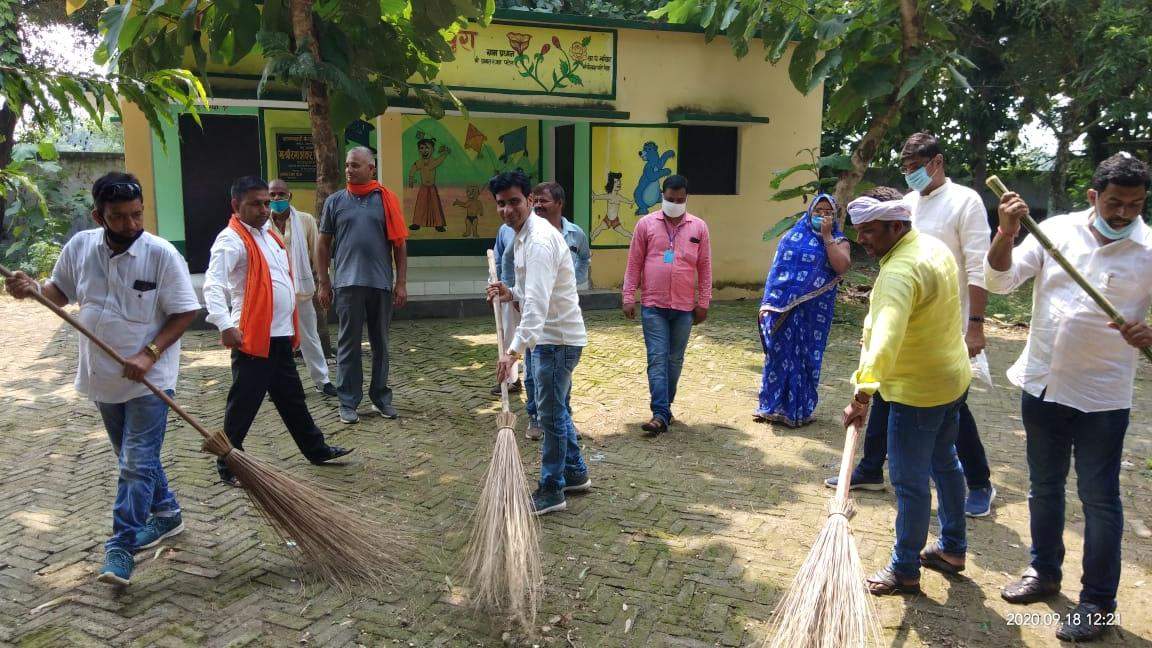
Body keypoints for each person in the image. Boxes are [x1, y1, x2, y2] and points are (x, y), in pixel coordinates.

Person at [5, 172, 201, 586]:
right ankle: (166, 514)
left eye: (136, 215)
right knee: (133, 459)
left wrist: (148, 355)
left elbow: (186, 312)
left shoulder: (162, 255)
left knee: (135, 463)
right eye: (119, 217)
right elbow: (57, 293)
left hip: (150, 378)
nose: (131, 225)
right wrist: (30, 289)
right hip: (103, 376)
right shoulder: (80, 248)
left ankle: (121, 547)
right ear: (98, 215)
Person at [987, 153, 1151, 643]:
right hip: (1042, 384)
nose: (1124, 213)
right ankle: (1044, 572)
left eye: (1136, 204)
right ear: (1093, 197)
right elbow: (1000, 280)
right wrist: (1005, 233)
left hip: (1103, 396)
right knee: (1044, 487)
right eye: (1116, 203)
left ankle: (1098, 603)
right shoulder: (1053, 230)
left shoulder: (1149, 250)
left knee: (1099, 500)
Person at [825, 134, 998, 519]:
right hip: (912, 325)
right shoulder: (908, 204)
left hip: (942, 324)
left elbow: (977, 267)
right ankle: (871, 468)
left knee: (947, 421)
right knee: (893, 394)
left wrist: (975, 325)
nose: (910, 175)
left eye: (914, 167)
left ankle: (981, 482)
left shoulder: (964, 202)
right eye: (904, 168)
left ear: (935, 162)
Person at [840, 192, 971, 597]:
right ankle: (951, 548)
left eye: (870, 230)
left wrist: (861, 396)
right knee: (945, 462)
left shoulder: (899, 271)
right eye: (858, 230)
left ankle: (904, 568)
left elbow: (885, 342)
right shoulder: (931, 246)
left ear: (897, 226)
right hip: (951, 380)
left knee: (910, 482)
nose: (862, 238)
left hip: (919, 393)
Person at [203, 176, 353, 487]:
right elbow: (213, 284)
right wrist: (225, 324)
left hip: (281, 334)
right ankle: (228, 462)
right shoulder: (231, 240)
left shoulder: (269, 236)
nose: (264, 209)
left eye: (266, 203)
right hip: (253, 337)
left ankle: (316, 449)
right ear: (236, 206)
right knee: (244, 403)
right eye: (255, 204)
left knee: (293, 398)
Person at [486, 171, 589, 515]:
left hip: (556, 339)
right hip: (548, 337)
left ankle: (552, 489)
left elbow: (538, 308)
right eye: (501, 204)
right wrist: (509, 292)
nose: (507, 210)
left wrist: (512, 352)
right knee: (556, 409)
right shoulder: (520, 237)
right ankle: (574, 473)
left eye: (514, 201)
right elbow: (531, 295)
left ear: (529, 200)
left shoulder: (540, 241)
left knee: (550, 415)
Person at [317, 147, 410, 424]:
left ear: (371, 168)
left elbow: (400, 246)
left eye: (355, 165)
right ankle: (348, 402)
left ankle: (381, 397)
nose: (349, 170)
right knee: (348, 345)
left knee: (381, 343)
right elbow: (323, 245)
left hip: (380, 284)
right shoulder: (335, 202)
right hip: (347, 284)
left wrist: (401, 282)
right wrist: (324, 282)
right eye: (347, 165)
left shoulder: (387, 201)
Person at [621, 175, 712, 436]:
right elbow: (634, 262)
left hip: (684, 307)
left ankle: (665, 407)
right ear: (662, 196)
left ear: (686, 198)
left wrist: (703, 302)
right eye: (670, 199)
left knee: (674, 360)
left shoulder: (699, 228)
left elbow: (704, 268)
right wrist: (629, 295)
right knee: (657, 358)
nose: (675, 203)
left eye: (680, 200)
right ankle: (659, 413)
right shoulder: (645, 224)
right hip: (653, 304)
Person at [755, 194, 851, 427]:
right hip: (783, 310)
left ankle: (798, 410)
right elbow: (779, 271)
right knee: (778, 354)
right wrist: (773, 304)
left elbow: (841, 266)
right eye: (818, 211)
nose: (822, 215)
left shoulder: (840, 241)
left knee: (806, 357)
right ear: (809, 212)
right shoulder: (793, 236)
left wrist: (827, 236)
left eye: (828, 212)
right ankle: (770, 407)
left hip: (814, 313)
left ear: (835, 215)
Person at [517, 181, 590, 441]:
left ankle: (562, 423)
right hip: (536, 318)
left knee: (558, 379)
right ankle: (536, 417)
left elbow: (584, 258)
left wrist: (571, 283)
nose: (537, 205)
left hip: (559, 324)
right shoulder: (525, 235)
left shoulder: (572, 234)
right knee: (533, 371)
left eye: (543, 200)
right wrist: (513, 292)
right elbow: (510, 266)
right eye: (534, 200)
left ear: (559, 203)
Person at [267, 178, 336, 397]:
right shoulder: (262, 224)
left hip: (301, 288)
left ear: (290, 196)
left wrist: (323, 282)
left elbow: (317, 254)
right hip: (274, 291)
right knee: (274, 339)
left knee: (309, 334)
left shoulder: (305, 220)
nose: (277, 199)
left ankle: (322, 380)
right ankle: (276, 385)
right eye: (272, 195)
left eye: (281, 194)